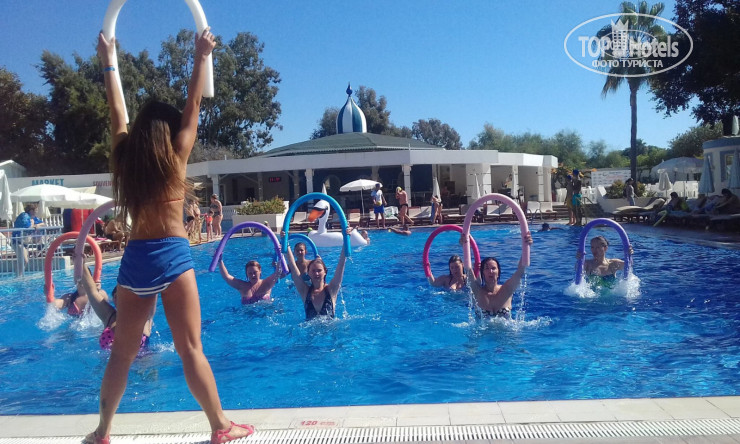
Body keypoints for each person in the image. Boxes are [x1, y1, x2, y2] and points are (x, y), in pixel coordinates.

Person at [89, 29, 253, 444]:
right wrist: (201, 55)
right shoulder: (177, 155)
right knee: (190, 349)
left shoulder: (125, 160)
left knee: (121, 354)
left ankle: (103, 431)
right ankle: (220, 427)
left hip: (136, 259)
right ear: (168, 130)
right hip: (173, 256)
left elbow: (117, 112)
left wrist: (108, 60)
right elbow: (194, 103)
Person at [284, 228, 349, 320]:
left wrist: (346, 238)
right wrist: (285, 242)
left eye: (319, 270)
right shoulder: (305, 291)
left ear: (325, 272)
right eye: (313, 271)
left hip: (331, 328)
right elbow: (293, 267)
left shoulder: (332, 289)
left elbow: (341, 264)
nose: (316, 273)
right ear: (308, 273)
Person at [464, 232, 533, 318]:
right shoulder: (477, 291)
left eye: (493, 268)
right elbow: (468, 269)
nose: (490, 271)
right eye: (487, 268)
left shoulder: (507, 289)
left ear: (498, 272)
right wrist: (465, 244)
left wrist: (527, 246)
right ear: (483, 273)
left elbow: (521, 270)